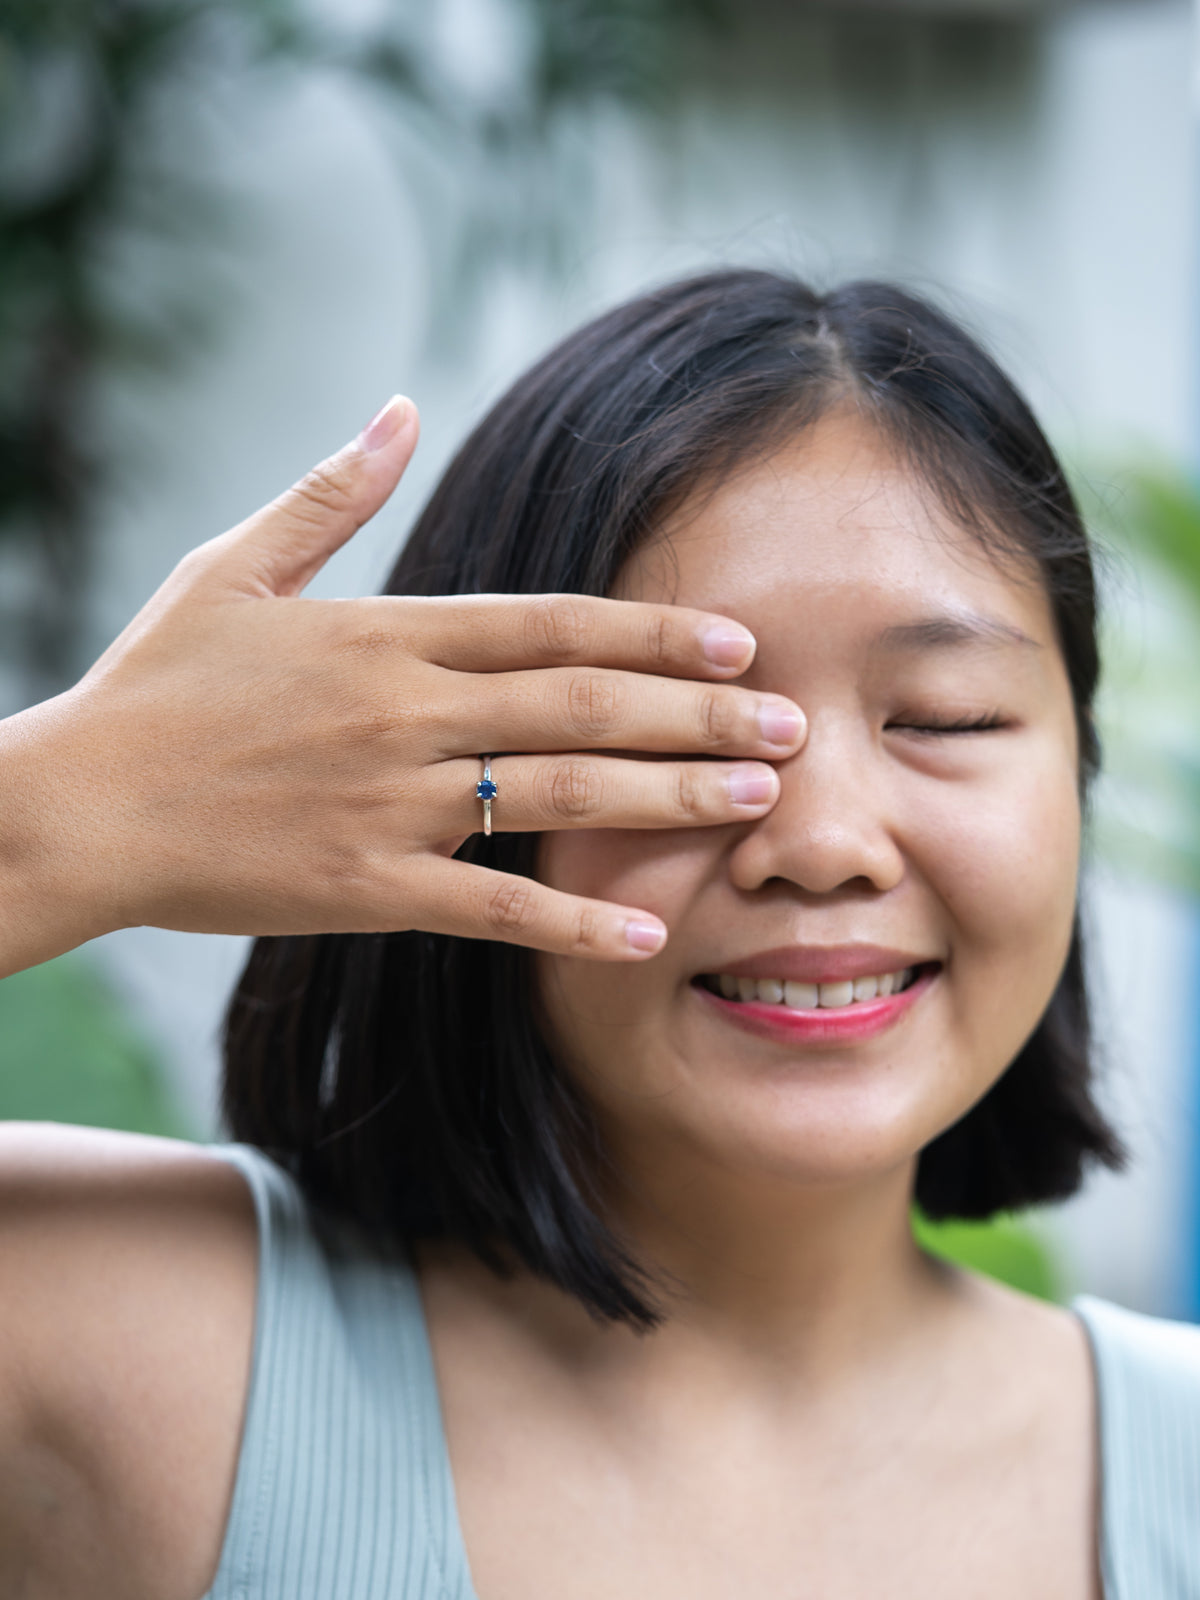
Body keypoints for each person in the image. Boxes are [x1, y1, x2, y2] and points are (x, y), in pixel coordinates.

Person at [0, 270, 1197, 1600]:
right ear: (460, 787)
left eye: (946, 718)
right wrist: (61, 817)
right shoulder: (113, 1346)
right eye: (662, 731)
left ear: (1075, 776)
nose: (821, 842)